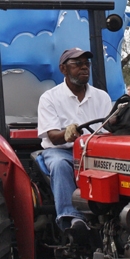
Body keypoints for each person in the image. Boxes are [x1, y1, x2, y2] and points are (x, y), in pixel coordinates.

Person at [37, 48, 112, 236]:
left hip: (94, 151)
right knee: (60, 165)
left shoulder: (101, 97)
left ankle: (112, 215)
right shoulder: (49, 98)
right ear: (63, 69)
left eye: (86, 64)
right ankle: (71, 219)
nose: (84, 67)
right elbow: (53, 137)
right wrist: (68, 134)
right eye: (77, 64)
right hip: (62, 151)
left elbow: (108, 130)